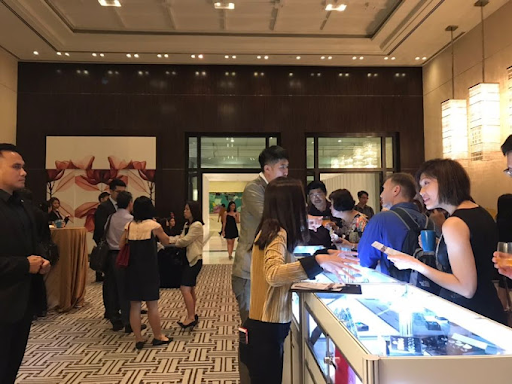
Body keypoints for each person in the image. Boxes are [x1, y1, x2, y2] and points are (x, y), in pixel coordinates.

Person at [239, 177, 358, 383]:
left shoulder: (271, 228)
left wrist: (321, 253)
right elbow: (274, 274)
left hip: (262, 329)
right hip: (266, 331)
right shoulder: (277, 233)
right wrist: (318, 261)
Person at [387, 159, 505, 324]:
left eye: (426, 183)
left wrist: (414, 264)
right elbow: (475, 256)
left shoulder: (454, 223)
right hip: (488, 308)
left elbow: (465, 288)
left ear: (446, 181)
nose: (421, 192)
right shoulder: (480, 212)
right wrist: (439, 247)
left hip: (468, 317)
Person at [0, 143, 51, 383]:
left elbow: (33, 244)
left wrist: (41, 260)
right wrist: (24, 265)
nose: (24, 172)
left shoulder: (21, 205)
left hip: (23, 302)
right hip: (3, 300)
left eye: (23, 167)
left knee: (10, 368)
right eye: (16, 167)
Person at [232, 145, 289, 324]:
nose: (286, 172)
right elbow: (270, 218)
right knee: (251, 327)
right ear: (267, 169)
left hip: (265, 268)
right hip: (249, 270)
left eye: (287, 167)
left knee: (264, 326)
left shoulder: (275, 190)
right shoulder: (254, 188)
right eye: (282, 167)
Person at [120, 196, 173, 350]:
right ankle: (158, 336)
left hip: (132, 269)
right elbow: (166, 241)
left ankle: (138, 338)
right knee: (152, 305)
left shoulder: (129, 226)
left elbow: (121, 243)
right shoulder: (153, 225)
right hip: (149, 269)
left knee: (135, 305)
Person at [358, 173, 431, 276]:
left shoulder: (381, 219)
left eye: (383, 189)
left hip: (395, 286)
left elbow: (364, 261)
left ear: (396, 190)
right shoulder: (428, 221)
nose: (381, 195)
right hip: (429, 287)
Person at [104, 191, 143, 333]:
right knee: (126, 289)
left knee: (112, 288)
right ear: (129, 203)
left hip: (111, 256)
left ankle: (115, 319)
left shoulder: (111, 218)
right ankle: (129, 321)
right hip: (125, 256)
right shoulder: (131, 220)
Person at [169, 201, 204, 329]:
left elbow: (184, 241)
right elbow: (181, 237)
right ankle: (192, 315)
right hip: (188, 260)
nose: (185, 211)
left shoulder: (197, 225)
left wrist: (172, 241)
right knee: (190, 288)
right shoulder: (187, 224)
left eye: (187, 209)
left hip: (194, 260)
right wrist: (171, 239)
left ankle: (190, 317)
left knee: (185, 288)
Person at [93, 179, 126, 309]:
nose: (121, 195)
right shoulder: (104, 207)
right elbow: (99, 230)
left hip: (123, 249)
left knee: (122, 282)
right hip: (110, 250)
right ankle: (110, 310)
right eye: (118, 192)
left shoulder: (124, 207)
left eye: (123, 192)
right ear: (111, 191)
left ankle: (122, 308)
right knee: (110, 283)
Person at [306, 180, 336, 249]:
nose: (316, 198)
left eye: (318, 194)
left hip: (333, 248)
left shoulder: (334, 209)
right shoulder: (306, 212)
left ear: (325, 193)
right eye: (312, 195)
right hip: (312, 249)